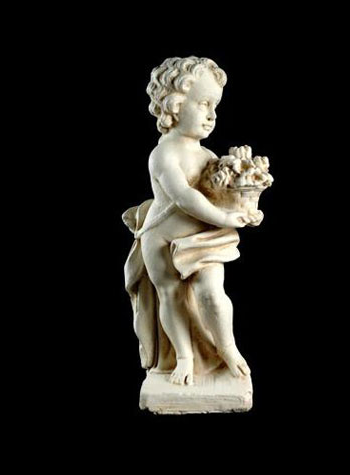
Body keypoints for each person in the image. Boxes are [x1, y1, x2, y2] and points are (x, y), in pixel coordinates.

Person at [124, 57, 262, 385]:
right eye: (204, 104)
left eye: (215, 106)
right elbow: (185, 197)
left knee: (212, 293)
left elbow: (222, 193)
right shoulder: (164, 154)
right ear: (174, 105)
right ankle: (184, 356)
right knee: (171, 296)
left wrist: (245, 205)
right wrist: (225, 217)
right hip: (161, 240)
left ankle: (227, 348)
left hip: (203, 240)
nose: (212, 114)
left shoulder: (208, 156)